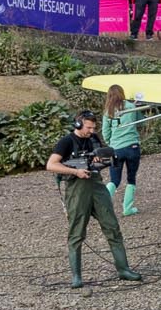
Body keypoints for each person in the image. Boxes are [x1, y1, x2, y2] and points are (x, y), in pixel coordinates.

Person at [47, 111, 142, 288]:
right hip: (77, 189)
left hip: (97, 186)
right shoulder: (66, 142)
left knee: (112, 227)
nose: (91, 130)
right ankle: (77, 277)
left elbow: (103, 157)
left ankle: (123, 269)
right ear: (78, 125)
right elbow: (51, 165)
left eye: (93, 127)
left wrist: (100, 160)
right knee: (77, 233)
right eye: (88, 127)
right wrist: (75, 171)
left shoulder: (94, 139)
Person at [99, 84, 142, 217]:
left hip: (116, 149)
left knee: (114, 180)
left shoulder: (108, 111)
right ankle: (127, 208)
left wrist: (111, 142)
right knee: (131, 178)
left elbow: (105, 131)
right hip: (132, 147)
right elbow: (140, 121)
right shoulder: (131, 107)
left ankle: (101, 207)